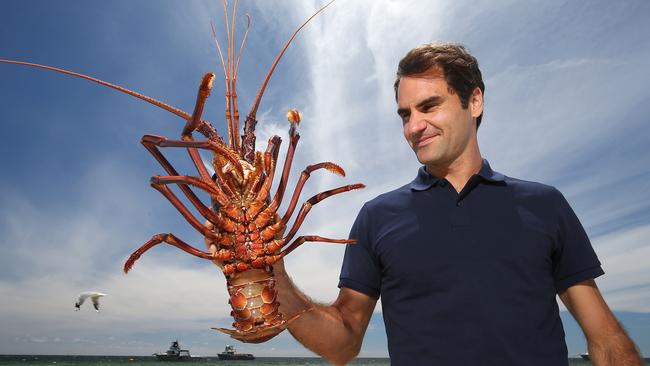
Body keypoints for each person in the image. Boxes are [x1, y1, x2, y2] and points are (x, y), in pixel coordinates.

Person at [210, 43, 644, 365]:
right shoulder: (377, 216)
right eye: (405, 114)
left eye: (429, 106)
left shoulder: (545, 204)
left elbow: (604, 339)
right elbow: (343, 342)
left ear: (474, 101)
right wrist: (272, 275)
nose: (414, 126)